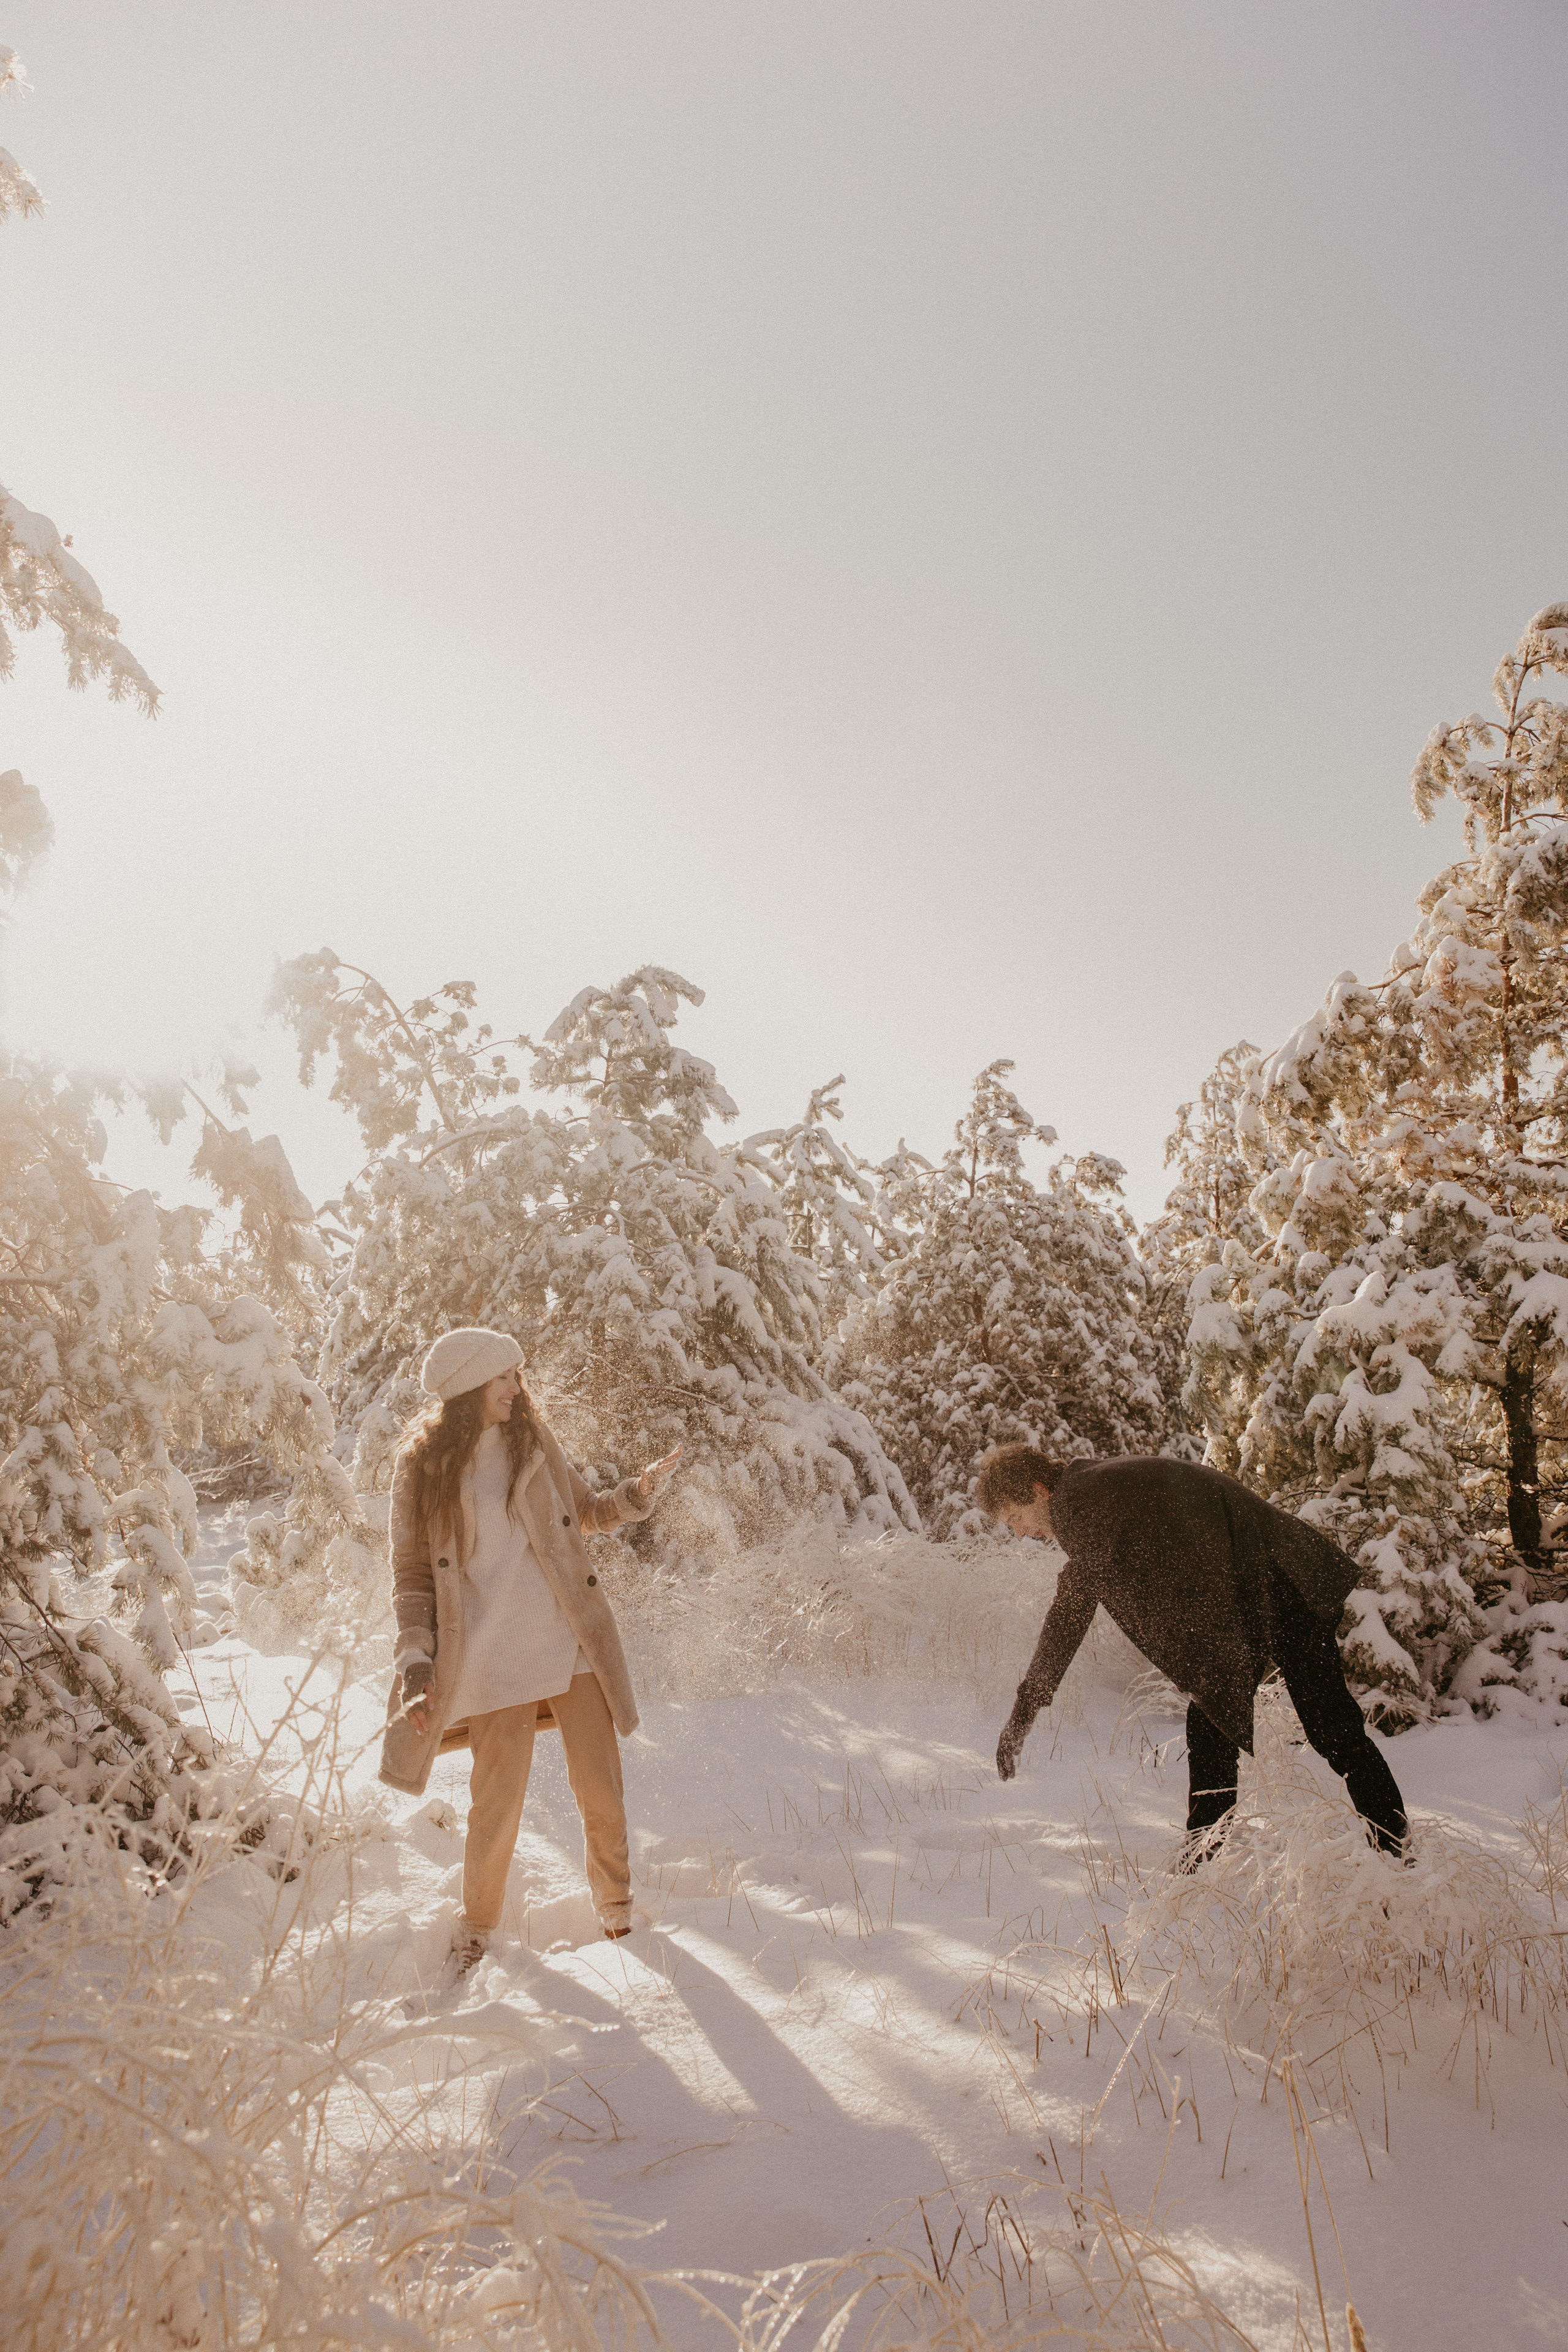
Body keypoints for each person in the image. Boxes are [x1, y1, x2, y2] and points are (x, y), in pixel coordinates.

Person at [379, 1326, 681, 1966]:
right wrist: (415, 1658)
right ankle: (477, 1932)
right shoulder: (423, 1468)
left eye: (517, 1376)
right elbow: (409, 1575)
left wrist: (633, 1497)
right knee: (494, 1807)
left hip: (566, 1641)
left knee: (601, 1788)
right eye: (505, 1378)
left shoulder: (532, 1441)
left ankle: (619, 1916)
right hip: (488, 1658)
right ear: (468, 1387)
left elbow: (587, 1511)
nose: (518, 1389)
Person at [978, 1444, 1408, 1862]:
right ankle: (1204, 1859)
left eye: (1017, 1517)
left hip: (1278, 1584)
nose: (1020, 1532)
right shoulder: (1086, 1488)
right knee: (1212, 1728)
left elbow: (1070, 1613)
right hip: (1254, 1590)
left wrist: (1024, 1711)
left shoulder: (1078, 1503)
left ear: (1039, 1491)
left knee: (1332, 1729)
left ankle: (1394, 1850)